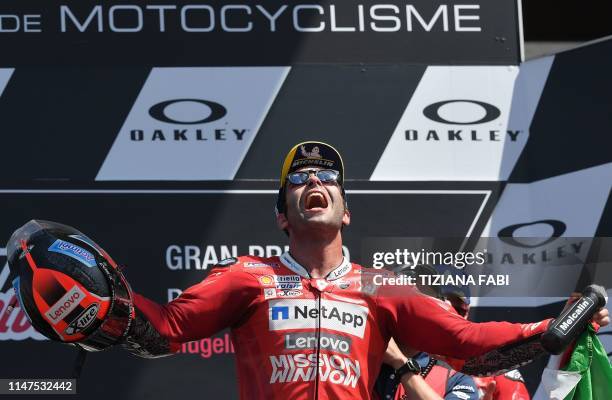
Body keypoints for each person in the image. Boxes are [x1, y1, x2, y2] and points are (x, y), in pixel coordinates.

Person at [9, 141, 610, 400]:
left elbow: (468, 345)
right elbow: (163, 330)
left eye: (327, 178)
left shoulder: (381, 288)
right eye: (298, 179)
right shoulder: (247, 276)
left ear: (347, 211)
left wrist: (552, 330)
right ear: (281, 216)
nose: (314, 183)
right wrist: (107, 308)